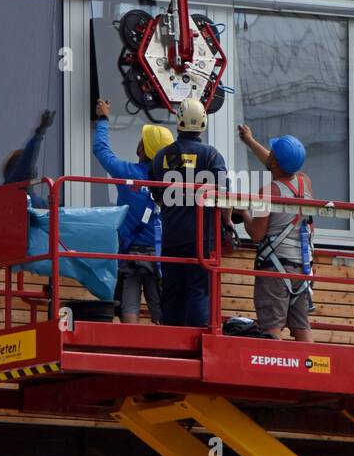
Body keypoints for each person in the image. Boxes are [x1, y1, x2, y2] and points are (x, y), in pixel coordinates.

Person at [92, 99, 172, 324]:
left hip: (129, 253)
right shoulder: (173, 183)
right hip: (158, 255)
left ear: (141, 149)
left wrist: (103, 119)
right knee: (162, 310)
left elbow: (101, 150)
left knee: (129, 305)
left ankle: (130, 350)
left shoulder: (127, 173)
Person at [150, 98, 227, 328]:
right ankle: (199, 343)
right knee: (199, 292)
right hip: (202, 238)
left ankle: (170, 344)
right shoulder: (212, 156)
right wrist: (228, 223)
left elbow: (157, 195)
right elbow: (223, 196)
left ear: (179, 121)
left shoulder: (160, 156)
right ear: (203, 121)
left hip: (171, 237)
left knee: (172, 293)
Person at [238, 124, 314, 342]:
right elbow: (279, 167)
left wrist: (243, 211)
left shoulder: (267, 192)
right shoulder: (305, 183)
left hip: (276, 270)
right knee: (302, 327)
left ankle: (274, 374)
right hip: (302, 268)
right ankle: (310, 372)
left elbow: (256, 234)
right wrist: (250, 141)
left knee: (271, 328)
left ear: (276, 161)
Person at [1, 110, 55, 206]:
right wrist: (40, 132)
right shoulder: (17, 195)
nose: (34, 168)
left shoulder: (37, 201)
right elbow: (28, 157)